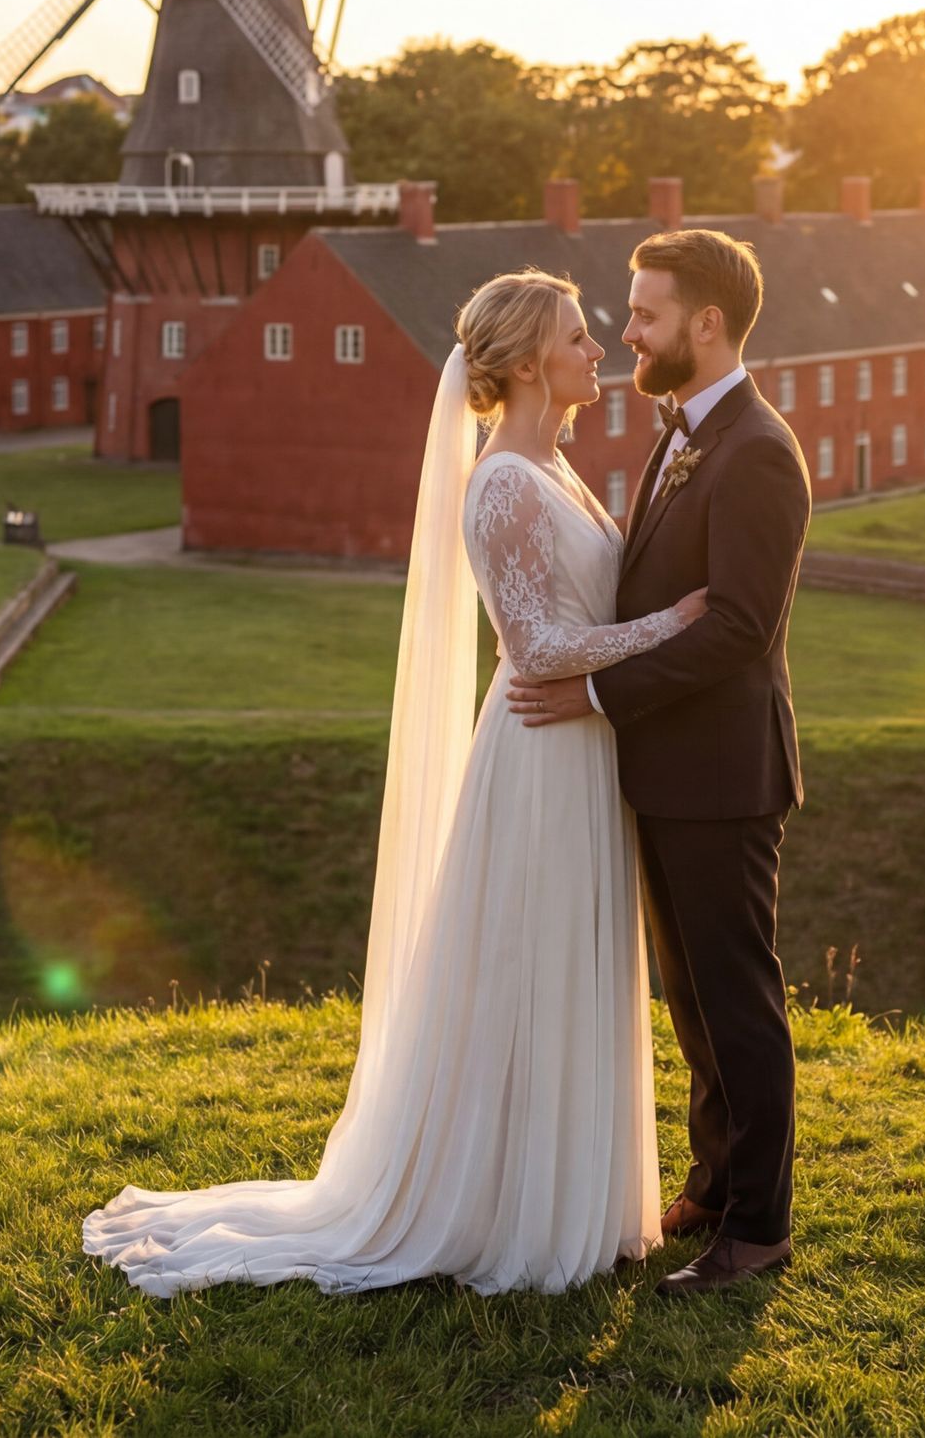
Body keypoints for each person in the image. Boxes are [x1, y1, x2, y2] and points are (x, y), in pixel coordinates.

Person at [80, 269, 702, 1296]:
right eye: (578, 339)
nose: (599, 352)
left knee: (571, 962)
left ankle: (571, 1192)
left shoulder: (554, 464)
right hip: (541, 754)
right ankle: (501, 1202)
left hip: (583, 750)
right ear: (526, 362)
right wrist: (672, 626)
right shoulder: (502, 480)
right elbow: (536, 644)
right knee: (528, 964)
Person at [510, 226, 811, 1295]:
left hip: (724, 778)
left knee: (737, 1000)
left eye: (643, 313)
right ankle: (716, 1183)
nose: (626, 330)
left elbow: (735, 630)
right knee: (691, 999)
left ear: (707, 323)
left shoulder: (759, 452)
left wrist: (591, 689)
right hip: (667, 771)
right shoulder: (681, 431)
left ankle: (760, 1227)